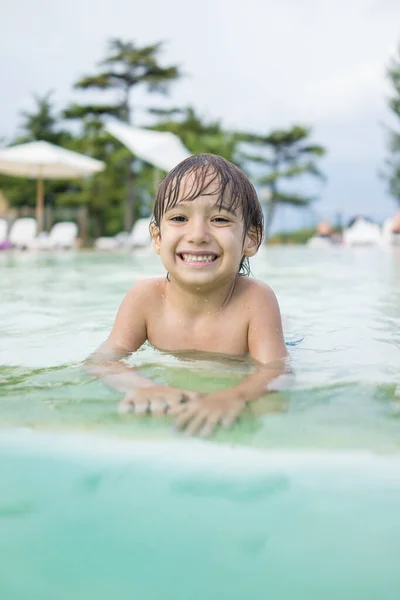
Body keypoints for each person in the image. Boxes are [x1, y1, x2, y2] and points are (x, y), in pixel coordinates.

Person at [86, 153, 288, 436]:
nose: (197, 235)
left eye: (219, 218)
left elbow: (275, 371)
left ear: (251, 239)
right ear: (157, 238)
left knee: (269, 409)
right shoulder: (145, 299)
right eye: (180, 218)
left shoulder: (255, 301)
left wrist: (235, 396)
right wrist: (144, 387)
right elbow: (102, 361)